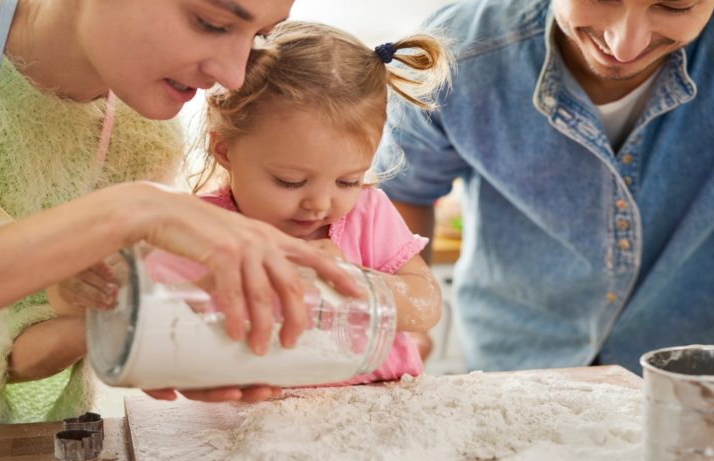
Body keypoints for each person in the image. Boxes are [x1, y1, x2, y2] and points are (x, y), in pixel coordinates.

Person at [0, 0, 364, 442]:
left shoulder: (141, 137)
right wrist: (131, 212)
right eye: (210, 22)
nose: (233, 76)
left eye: (259, 38)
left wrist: (135, 330)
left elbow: (4, 347)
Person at [58, 21, 449, 384]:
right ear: (225, 150)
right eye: (290, 181)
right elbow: (133, 305)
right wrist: (81, 287)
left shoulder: (368, 213)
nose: (319, 203)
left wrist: (354, 283)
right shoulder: (199, 228)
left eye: (348, 180)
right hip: (248, 417)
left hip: (374, 408)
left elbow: (426, 304)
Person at [375, 0, 714, 374]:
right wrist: (402, 314)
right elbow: (403, 192)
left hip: (698, 371)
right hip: (516, 360)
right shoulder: (456, 53)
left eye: (674, 7)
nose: (625, 46)